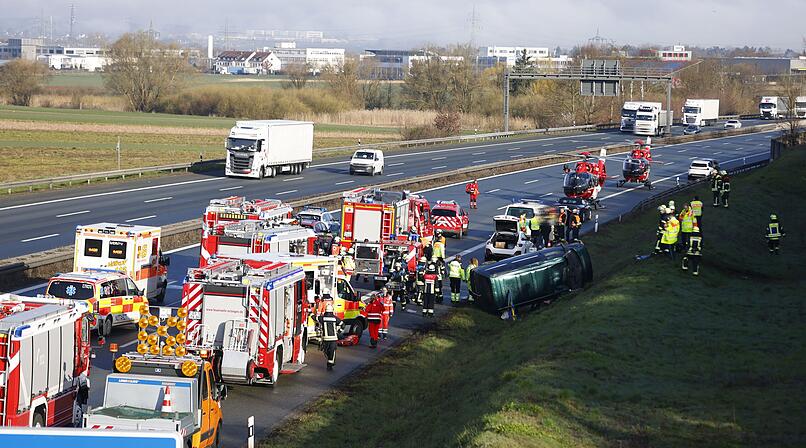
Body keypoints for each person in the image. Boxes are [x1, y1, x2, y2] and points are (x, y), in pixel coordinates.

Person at [319, 304, 341, 371]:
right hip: (334, 338)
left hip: (326, 338)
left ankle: (330, 362)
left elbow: (314, 317)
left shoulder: (322, 318)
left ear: (325, 310)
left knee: (327, 351)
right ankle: (330, 364)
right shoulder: (335, 318)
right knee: (332, 351)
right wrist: (339, 331)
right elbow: (342, 325)